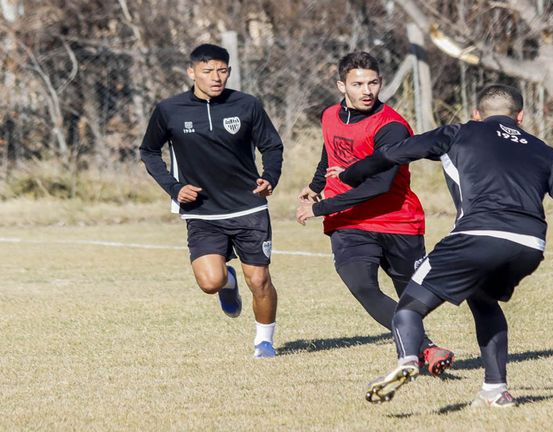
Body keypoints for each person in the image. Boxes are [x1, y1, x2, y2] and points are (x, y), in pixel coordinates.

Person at [329, 84, 553, 407]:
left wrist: (351, 175)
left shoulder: (459, 132)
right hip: (528, 246)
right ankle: (496, 390)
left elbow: (393, 153)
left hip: (475, 236)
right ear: (520, 117)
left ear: (477, 115)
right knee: (484, 301)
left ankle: (408, 359)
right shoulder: (546, 152)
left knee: (409, 308)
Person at [295, 51, 454, 375]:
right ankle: (426, 349)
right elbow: (330, 149)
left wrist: (319, 208)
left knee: (411, 302)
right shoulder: (329, 115)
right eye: (358, 84)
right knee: (362, 286)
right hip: (349, 222)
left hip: (397, 221)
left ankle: (421, 350)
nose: (367, 91)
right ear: (342, 85)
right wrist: (316, 184)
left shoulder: (391, 127)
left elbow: (380, 186)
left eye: (373, 83)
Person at [139, 44, 283, 358]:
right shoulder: (170, 109)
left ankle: (264, 342)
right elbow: (148, 151)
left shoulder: (247, 104)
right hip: (202, 212)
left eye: (222, 71)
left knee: (259, 279)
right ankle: (227, 282)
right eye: (207, 71)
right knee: (210, 282)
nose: (216, 77)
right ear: (192, 73)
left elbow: (272, 146)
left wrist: (270, 176)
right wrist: (174, 188)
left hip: (249, 207)